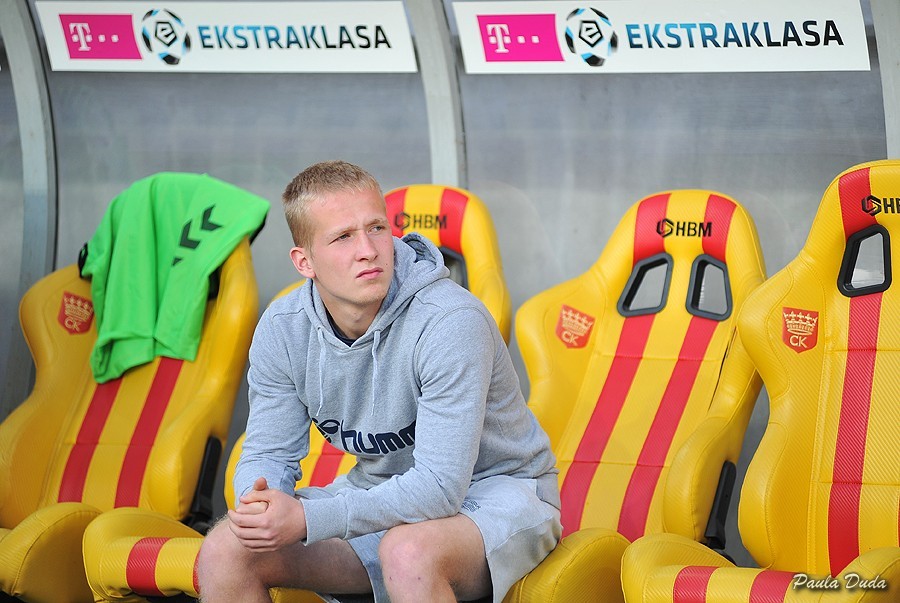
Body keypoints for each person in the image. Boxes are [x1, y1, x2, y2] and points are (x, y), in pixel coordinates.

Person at [196, 160, 561, 603]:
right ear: (304, 261)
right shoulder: (283, 328)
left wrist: (309, 519)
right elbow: (268, 451)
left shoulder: (450, 320)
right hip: (383, 497)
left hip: (499, 493)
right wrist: (261, 504)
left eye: (376, 228)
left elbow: (440, 489)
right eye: (343, 237)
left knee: (407, 553)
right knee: (226, 550)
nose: (368, 250)